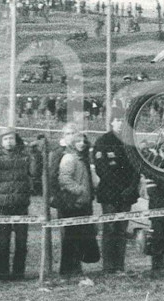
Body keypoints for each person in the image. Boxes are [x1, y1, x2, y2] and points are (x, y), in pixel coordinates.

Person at [93, 114, 140, 273]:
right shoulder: (103, 142)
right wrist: (120, 188)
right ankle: (108, 267)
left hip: (127, 194)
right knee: (110, 229)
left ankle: (119, 265)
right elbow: (102, 170)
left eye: (123, 120)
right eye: (117, 120)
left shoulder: (130, 142)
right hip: (110, 194)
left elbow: (137, 168)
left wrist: (132, 188)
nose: (120, 123)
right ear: (111, 122)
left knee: (121, 230)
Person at [0, 130, 34, 281]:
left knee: (21, 242)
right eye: (5, 139)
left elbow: (34, 172)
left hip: (21, 204)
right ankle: (3, 274)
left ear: (16, 140)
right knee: (3, 242)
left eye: (11, 138)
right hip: (3, 205)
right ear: (1, 141)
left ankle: (19, 273)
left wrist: (34, 156)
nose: (9, 142)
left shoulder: (25, 156)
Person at [56, 132, 100, 276]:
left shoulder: (84, 159)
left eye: (83, 141)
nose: (81, 143)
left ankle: (76, 268)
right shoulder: (69, 158)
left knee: (80, 237)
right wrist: (79, 190)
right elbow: (64, 179)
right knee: (71, 237)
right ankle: (68, 269)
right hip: (73, 203)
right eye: (78, 141)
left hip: (84, 203)